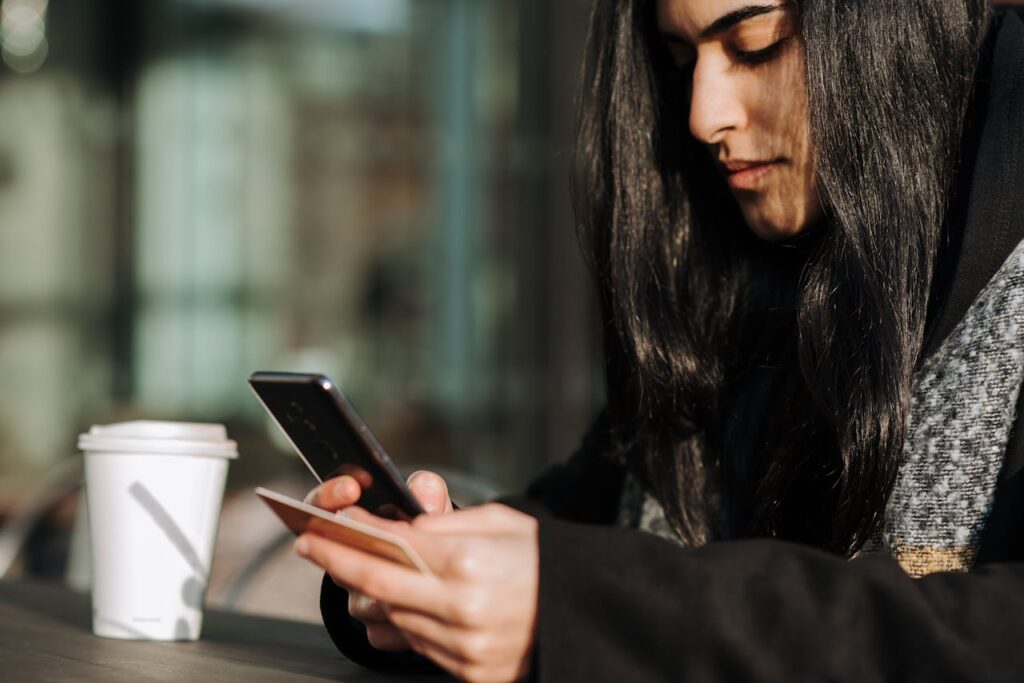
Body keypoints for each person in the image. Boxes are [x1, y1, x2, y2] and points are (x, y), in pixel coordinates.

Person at [293, 1, 1024, 681]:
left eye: (756, 45)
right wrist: (434, 570)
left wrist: (581, 608)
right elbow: (587, 526)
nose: (705, 115)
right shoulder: (740, 281)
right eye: (680, 58)